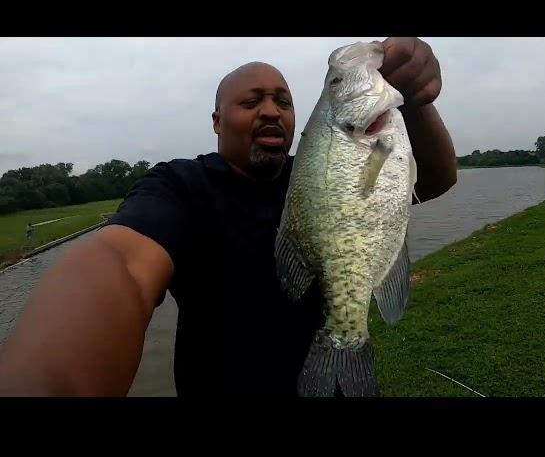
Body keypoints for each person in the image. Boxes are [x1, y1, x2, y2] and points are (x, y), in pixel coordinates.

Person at [0, 37, 457, 397]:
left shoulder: (320, 175)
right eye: (251, 102)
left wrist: (414, 100)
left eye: (283, 101)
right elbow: (121, 262)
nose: (271, 112)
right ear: (217, 120)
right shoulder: (181, 187)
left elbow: (431, 180)